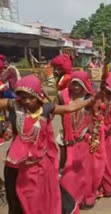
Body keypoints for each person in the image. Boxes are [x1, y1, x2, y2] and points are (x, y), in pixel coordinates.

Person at [0, 75, 93, 214]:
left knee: (41, 197)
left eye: (31, 97)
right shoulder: (14, 105)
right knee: (19, 199)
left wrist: (89, 101)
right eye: (23, 97)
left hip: (40, 166)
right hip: (17, 166)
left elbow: (69, 108)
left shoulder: (47, 108)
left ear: (38, 95)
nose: (27, 101)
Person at [57, 71, 96, 208]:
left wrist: (92, 136)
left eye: (78, 85)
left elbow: (96, 118)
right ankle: (71, 200)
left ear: (84, 85)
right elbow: (56, 112)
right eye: (73, 84)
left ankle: (86, 197)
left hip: (83, 139)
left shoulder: (90, 99)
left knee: (84, 171)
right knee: (69, 172)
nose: (75, 88)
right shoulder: (63, 96)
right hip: (68, 140)